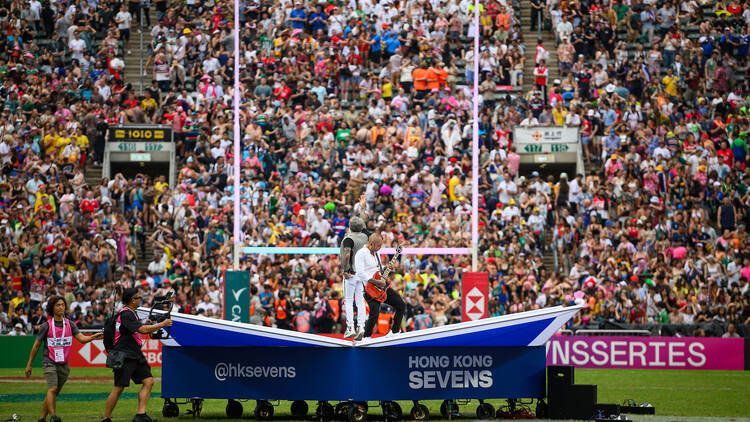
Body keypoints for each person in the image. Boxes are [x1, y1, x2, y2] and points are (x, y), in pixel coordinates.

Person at [25, 295, 103, 422]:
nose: (61, 307)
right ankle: (53, 417)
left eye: (62, 305)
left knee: (53, 392)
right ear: (52, 308)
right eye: (58, 305)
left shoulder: (70, 324)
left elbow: (81, 338)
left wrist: (94, 337)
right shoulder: (46, 326)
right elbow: (36, 346)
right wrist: (29, 364)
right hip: (49, 362)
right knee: (53, 388)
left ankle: (41, 418)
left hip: (64, 364)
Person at [102, 288, 172, 422]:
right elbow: (142, 330)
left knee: (149, 381)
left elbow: (136, 328)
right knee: (119, 387)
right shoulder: (126, 314)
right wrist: (162, 324)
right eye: (138, 297)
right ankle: (106, 418)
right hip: (125, 355)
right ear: (132, 300)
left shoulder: (131, 313)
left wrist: (143, 324)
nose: (140, 299)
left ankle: (141, 415)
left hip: (135, 354)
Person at [356, 233, 406, 340]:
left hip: (381, 285)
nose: (380, 248)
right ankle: (366, 337)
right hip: (370, 288)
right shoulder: (361, 253)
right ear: (371, 243)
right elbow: (360, 273)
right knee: (374, 315)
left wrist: (386, 267)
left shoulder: (376, 252)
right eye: (378, 245)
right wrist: (376, 282)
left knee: (401, 305)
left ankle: (395, 331)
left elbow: (376, 268)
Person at [340, 195, 370, 340]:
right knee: (360, 300)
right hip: (361, 273)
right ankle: (362, 327)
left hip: (350, 272)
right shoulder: (365, 236)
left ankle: (350, 327)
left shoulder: (349, 239)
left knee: (348, 300)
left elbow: (346, 256)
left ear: (350, 227)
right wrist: (362, 206)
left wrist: (345, 271)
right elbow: (363, 221)